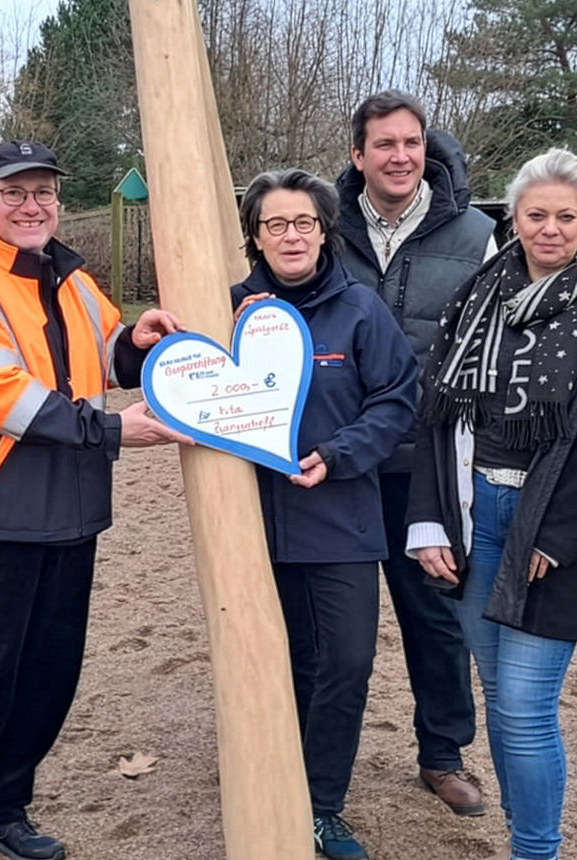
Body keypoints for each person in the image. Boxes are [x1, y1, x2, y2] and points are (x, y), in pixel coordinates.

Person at [0, 140, 191, 860]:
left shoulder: (71, 278)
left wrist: (139, 343)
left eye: (43, 192)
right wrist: (114, 431)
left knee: (47, 674)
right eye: (14, 192)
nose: (31, 206)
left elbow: (103, 352)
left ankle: (2, 808)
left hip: (70, 511)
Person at [406, 148, 577, 860]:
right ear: (514, 217)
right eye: (536, 215)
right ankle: (524, 833)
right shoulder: (478, 295)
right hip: (476, 514)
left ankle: (535, 850)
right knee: (499, 693)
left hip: (550, 527)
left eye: (566, 216)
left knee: (524, 707)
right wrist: (431, 520)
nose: (550, 229)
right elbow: (439, 414)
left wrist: (556, 535)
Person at [231, 168, 418, 860]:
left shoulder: (360, 310)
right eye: (275, 224)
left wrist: (339, 454)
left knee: (345, 661)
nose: (291, 236)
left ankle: (320, 805)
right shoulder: (228, 309)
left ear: (324, 231)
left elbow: (397, 398)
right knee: (278, 661)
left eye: (304, 222)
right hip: (254, 524)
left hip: (341, 517)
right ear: (255, 236)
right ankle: (269, 785)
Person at [335, 89, 496, 815]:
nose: (400, 157)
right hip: (339, 459)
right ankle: (313, 752)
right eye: (385, 144)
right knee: (332, 625)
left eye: (411, 143)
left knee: (435, 618)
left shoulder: (477, 235)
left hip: (425, 462)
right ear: (358, 155)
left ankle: (443, 753)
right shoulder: (327, 228)